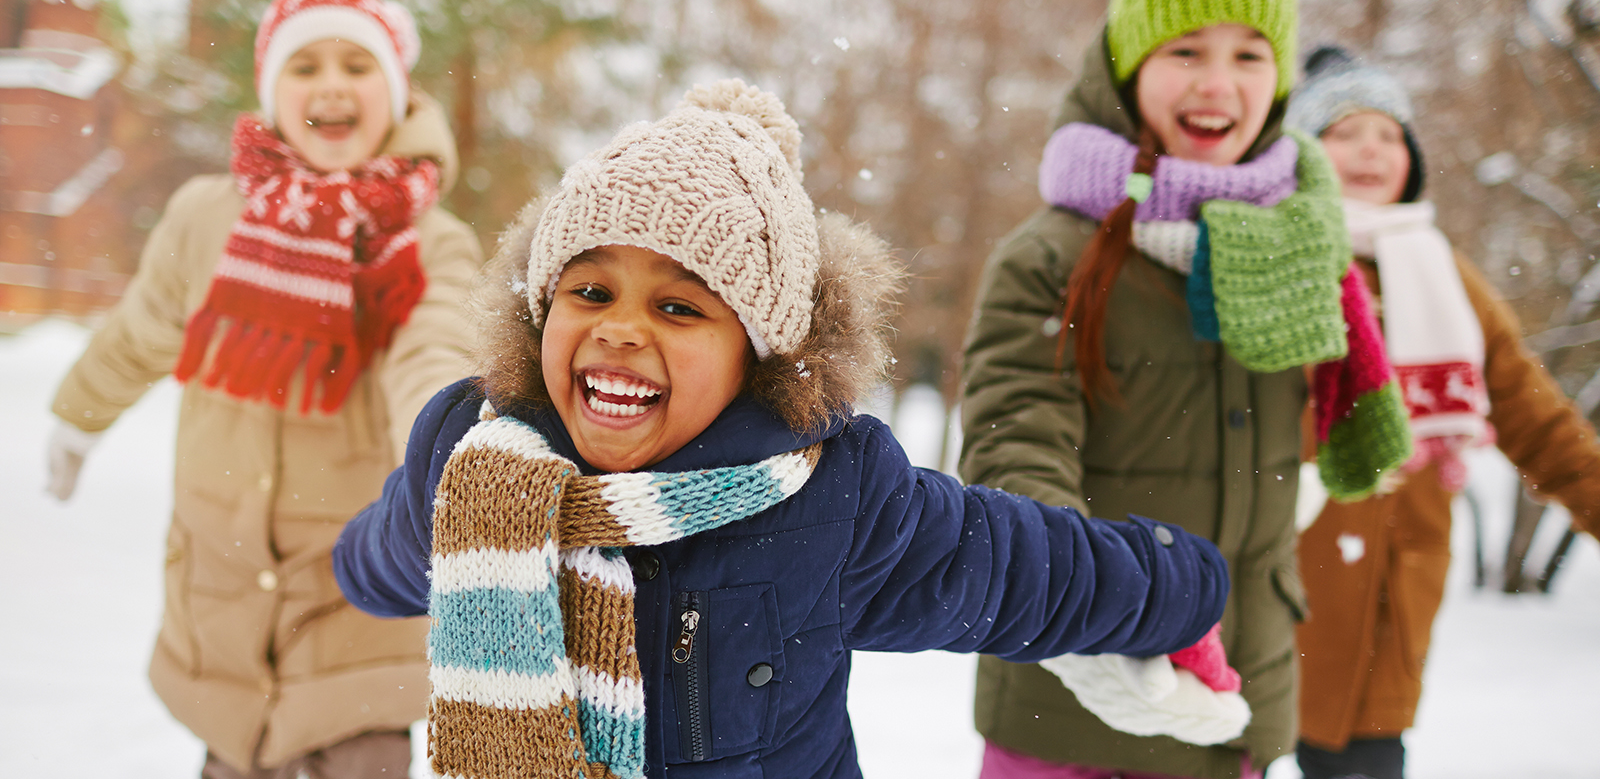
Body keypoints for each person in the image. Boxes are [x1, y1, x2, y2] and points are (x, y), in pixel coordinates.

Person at [331, 79, 1234, 779]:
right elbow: (393, 551)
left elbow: (1018, 568)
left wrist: (1181, 588)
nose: (619, 327)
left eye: (680, 306)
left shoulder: (831, 499)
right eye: (590, 291)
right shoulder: (478, 465)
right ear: (541, 311)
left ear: (756, 356)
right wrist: (351, 564)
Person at [957, 0, 1416, 777]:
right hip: (1074, 708)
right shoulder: (1051, 259)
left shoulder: (1300, 243)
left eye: (1248, 54)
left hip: (1240, 697)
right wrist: (1103, 612)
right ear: (1127, 69)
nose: (1217, 82)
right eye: (1185, 51)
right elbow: (1014, 457)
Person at [43, 0, 482, 776]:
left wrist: (445, 463)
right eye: (304, 65)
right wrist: (78, 416)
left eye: (357, 63)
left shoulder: (428, 242)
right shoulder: (206, 218)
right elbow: (140, 332)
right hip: (222, 595)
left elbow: (436, 349)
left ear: (396, 91)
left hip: (355, 605)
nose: (332, 84)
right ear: (272, 92)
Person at [1287, 46, 1600, 779]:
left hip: (1392, 597)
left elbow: (1538, 422)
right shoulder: (1270, 260)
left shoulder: (1444, 277)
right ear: (1302, 151)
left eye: (1390, 134)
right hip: (1278, 588)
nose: (1371, 149)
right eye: (1344, 132)